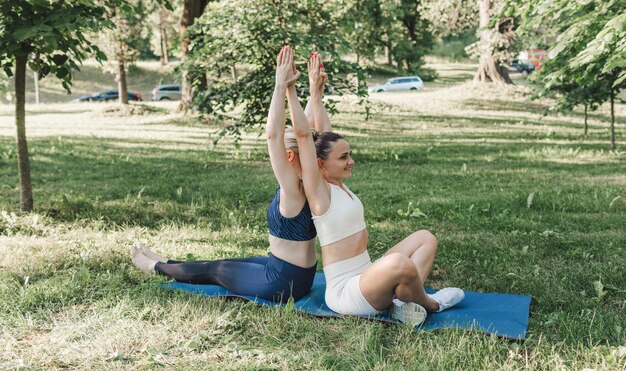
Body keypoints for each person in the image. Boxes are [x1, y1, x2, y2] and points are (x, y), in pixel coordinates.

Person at [131, 46, 331, 303]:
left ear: (289, 156)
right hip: (295, 272)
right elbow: (313, 133)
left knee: (217, 270)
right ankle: (168, 261)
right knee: (227, 262)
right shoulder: (313, 181)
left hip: (282, 282)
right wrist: (315, 90)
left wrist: (280, 85)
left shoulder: (293, 188)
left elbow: (273, 136)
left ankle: (154, 267)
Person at [285, 48, 465, 325]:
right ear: (320, 165)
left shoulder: (339, 184)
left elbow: (323, 132)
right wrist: (289, 88)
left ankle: (402, 301)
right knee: (400, 265)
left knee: (425, 237)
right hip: (348, 293)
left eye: (350, 155)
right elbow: (303, 135)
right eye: (343, 157)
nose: (351, 162)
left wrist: (316, 91)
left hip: (367, 275)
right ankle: (431, 304)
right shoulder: (319, 192)